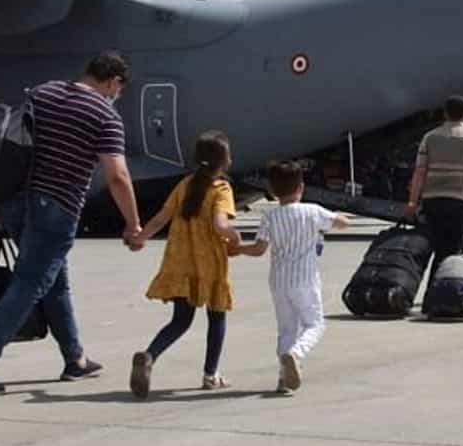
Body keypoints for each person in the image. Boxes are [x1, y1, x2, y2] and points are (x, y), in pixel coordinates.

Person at [0, 50, 140, 396]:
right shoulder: (105, 115)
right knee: (29, 283)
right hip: (55, 207)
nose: (117, 95)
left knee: (55, 282)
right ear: (113, 82)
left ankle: (75, 359)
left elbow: (11, 145)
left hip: (14, 201)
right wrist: (133, 223)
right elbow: (117, 176)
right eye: (119, 89)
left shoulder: (44, 92)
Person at [127, 131, 240, 398]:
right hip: (209, 265)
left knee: (180, 321)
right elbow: (220, 224)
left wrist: (140, 238)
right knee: (217, 317)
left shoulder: (185, 184)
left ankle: (150, 355)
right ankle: (211, 375)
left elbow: (160, 218)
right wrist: (235, 236)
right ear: (224, 161)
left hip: (180, 263)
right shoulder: (221, 189)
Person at [238, 160, 349, 394]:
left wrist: (238, 248)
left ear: (272, 190)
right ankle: (296, 354)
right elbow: (341, 223)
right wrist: (341, 217)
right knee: (315, 324)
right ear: (301, 187)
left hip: (279, 281)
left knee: (286, 329)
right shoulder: (312, 211)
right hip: (305, 279)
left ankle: (283, 379)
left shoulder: (270, 216)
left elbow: (259, 249)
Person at [403, 96, 463, 279]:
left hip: (431, 202)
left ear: (445, 113)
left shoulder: (430, 137)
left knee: (424, 250)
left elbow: (419, 172)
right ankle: (438, 290)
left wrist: (412, 202)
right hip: (458, 203)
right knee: (449, 253)